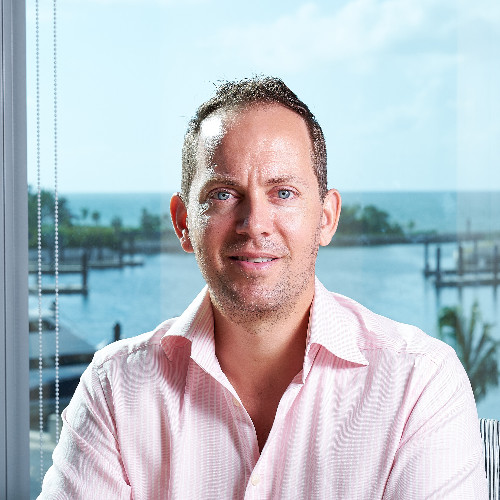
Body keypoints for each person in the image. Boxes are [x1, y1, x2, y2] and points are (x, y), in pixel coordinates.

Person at [39, 77, 488, 499]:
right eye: (223, 194)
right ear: (183, 222)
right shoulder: (114, 390)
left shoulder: (420, 384)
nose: (254, 224)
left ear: (326, 217)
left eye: (283, 193)